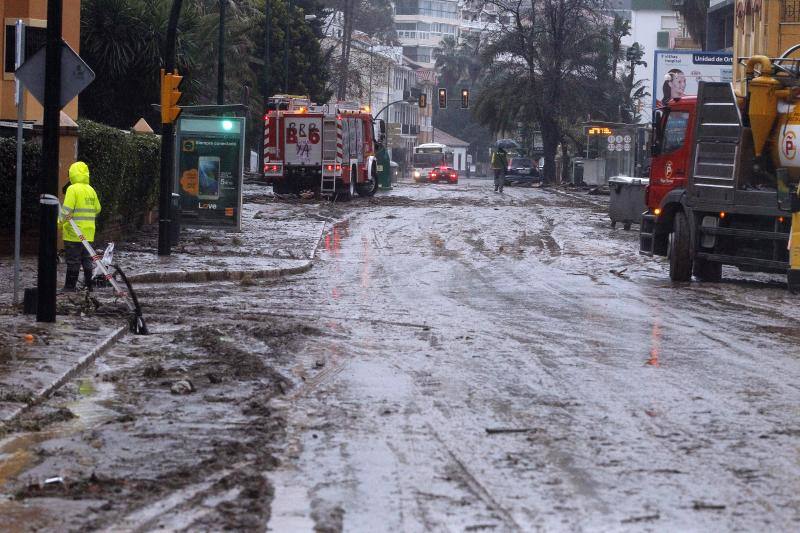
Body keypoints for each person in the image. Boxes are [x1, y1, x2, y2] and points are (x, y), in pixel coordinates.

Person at [59, 161, 102, 292]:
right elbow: (98, 209)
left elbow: (66, 210)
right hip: (88, 233)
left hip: (74, 233)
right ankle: (89, 286)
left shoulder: (72, 189)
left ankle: (69, 287)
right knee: (87, 260)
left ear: (72, 174)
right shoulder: (91, 189)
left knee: (73, 260)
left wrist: (59, 223)